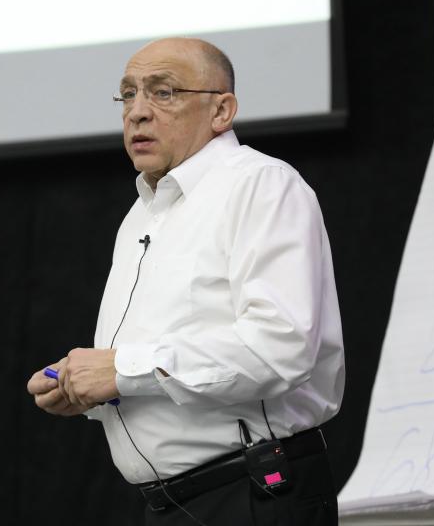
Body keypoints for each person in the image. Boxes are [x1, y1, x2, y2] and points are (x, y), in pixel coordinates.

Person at [26, 37, 344, 525]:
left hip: (253, 495)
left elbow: (280, 346)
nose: (138, 112)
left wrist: (121, 370)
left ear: (222, 111)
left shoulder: (260, 185)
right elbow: (160, 356)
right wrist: (84, 386)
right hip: (174, 505)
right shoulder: (141, 215)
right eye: (128, 94)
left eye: (163, 92)